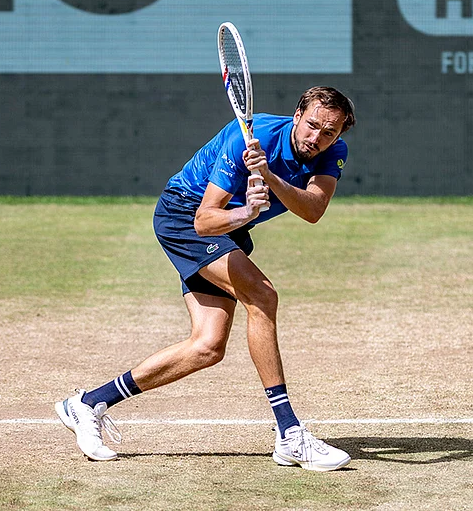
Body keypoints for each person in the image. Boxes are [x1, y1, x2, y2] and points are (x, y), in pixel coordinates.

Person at [57, 86, 356, 472]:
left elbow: (313, 209)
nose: (316, 138)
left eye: (329, 132)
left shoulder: (332, 153)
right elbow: (204, 221)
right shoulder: (249, 138)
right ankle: (289, 433)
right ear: (297, 115)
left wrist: (267, 176)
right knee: (262, 296)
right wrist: (247, 212)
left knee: (207, 346)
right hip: (184, 215)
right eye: (312, 125)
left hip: (229, 229)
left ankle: (87, 404)